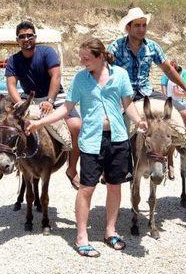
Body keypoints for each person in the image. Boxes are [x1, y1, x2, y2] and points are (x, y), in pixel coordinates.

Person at [27, 38, 147, 257]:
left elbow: (128, 104)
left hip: (118, 138)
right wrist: (40, 123)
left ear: (100, 56)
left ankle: (110, 231)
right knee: (87, 188)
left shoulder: (119, 75)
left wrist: (139, 121)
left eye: (86, 58)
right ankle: (81, 236)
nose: (83, 63)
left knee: (114, 186)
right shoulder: (81, 79)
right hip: (92, 140)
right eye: (81, 58)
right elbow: (66, 108)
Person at [5, 20, 82, 189]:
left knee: (76, 126)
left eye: (29, 36)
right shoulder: (13, 60)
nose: (26, 39)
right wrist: (20, 104)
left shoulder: (47, 52)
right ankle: (8, 162)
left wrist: (50, 101)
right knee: (6, 126)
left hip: (54, 96)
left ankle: (72, 169)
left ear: (35, 37)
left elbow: (56, 76)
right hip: (28, 99)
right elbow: (11, 85)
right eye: (22, 36)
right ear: (17, 40)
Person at [107, 7, 186, 105]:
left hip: (147, 92)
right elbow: (104, 72)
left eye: (144, 25)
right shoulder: (115, 47)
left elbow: (168, 69)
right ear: (128, 28)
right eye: (137, 25)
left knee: (183, 113)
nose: (141, 29)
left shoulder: (152, 47)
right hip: (124, 95)